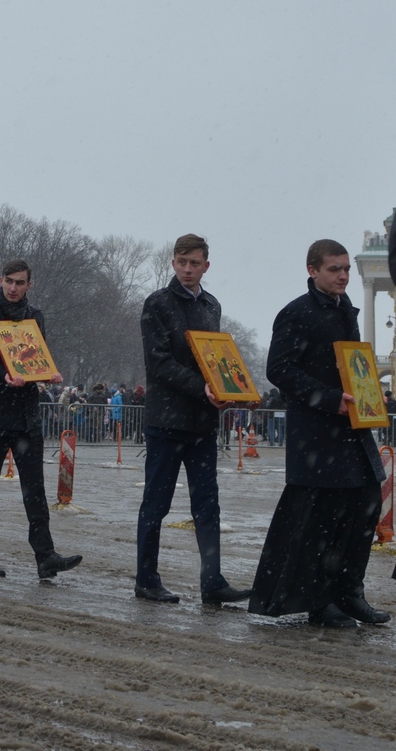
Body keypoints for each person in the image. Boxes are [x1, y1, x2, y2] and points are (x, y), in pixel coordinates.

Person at [248, 240, 389, 628]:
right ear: (312, 270)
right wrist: (329, 399)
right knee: (321, 520)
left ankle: (349, 592)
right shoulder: (296, 313)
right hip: (318, 435)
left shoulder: (346, 310)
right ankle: (319, 601)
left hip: (352, 431)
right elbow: (279, 369)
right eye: (334, 269)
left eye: (346, 269)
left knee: (365, 504)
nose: (343, 275)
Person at [135, 234, 250, 606]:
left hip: (201, 423)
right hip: (166, 422)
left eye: (194, 263)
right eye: (182, 262)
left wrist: (225, 388)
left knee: (207, 504)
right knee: (157, 503)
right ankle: (146, 579)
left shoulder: (212, 306)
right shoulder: (158, 303)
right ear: (173, 263)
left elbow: (214, 359)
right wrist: (204, 387)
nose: (187, 269)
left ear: (206, 266)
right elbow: (159, 363)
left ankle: (212, 581)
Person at [0, 260, 81, 579]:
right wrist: (2, 376)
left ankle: (45, 555)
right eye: (9, 281)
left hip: (27, 416)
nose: (14, 288)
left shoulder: (35, 317)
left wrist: (48, 373)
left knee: (35, 488)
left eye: (20, 283)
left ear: (30, 284)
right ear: (0, 280)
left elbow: (36, 355)